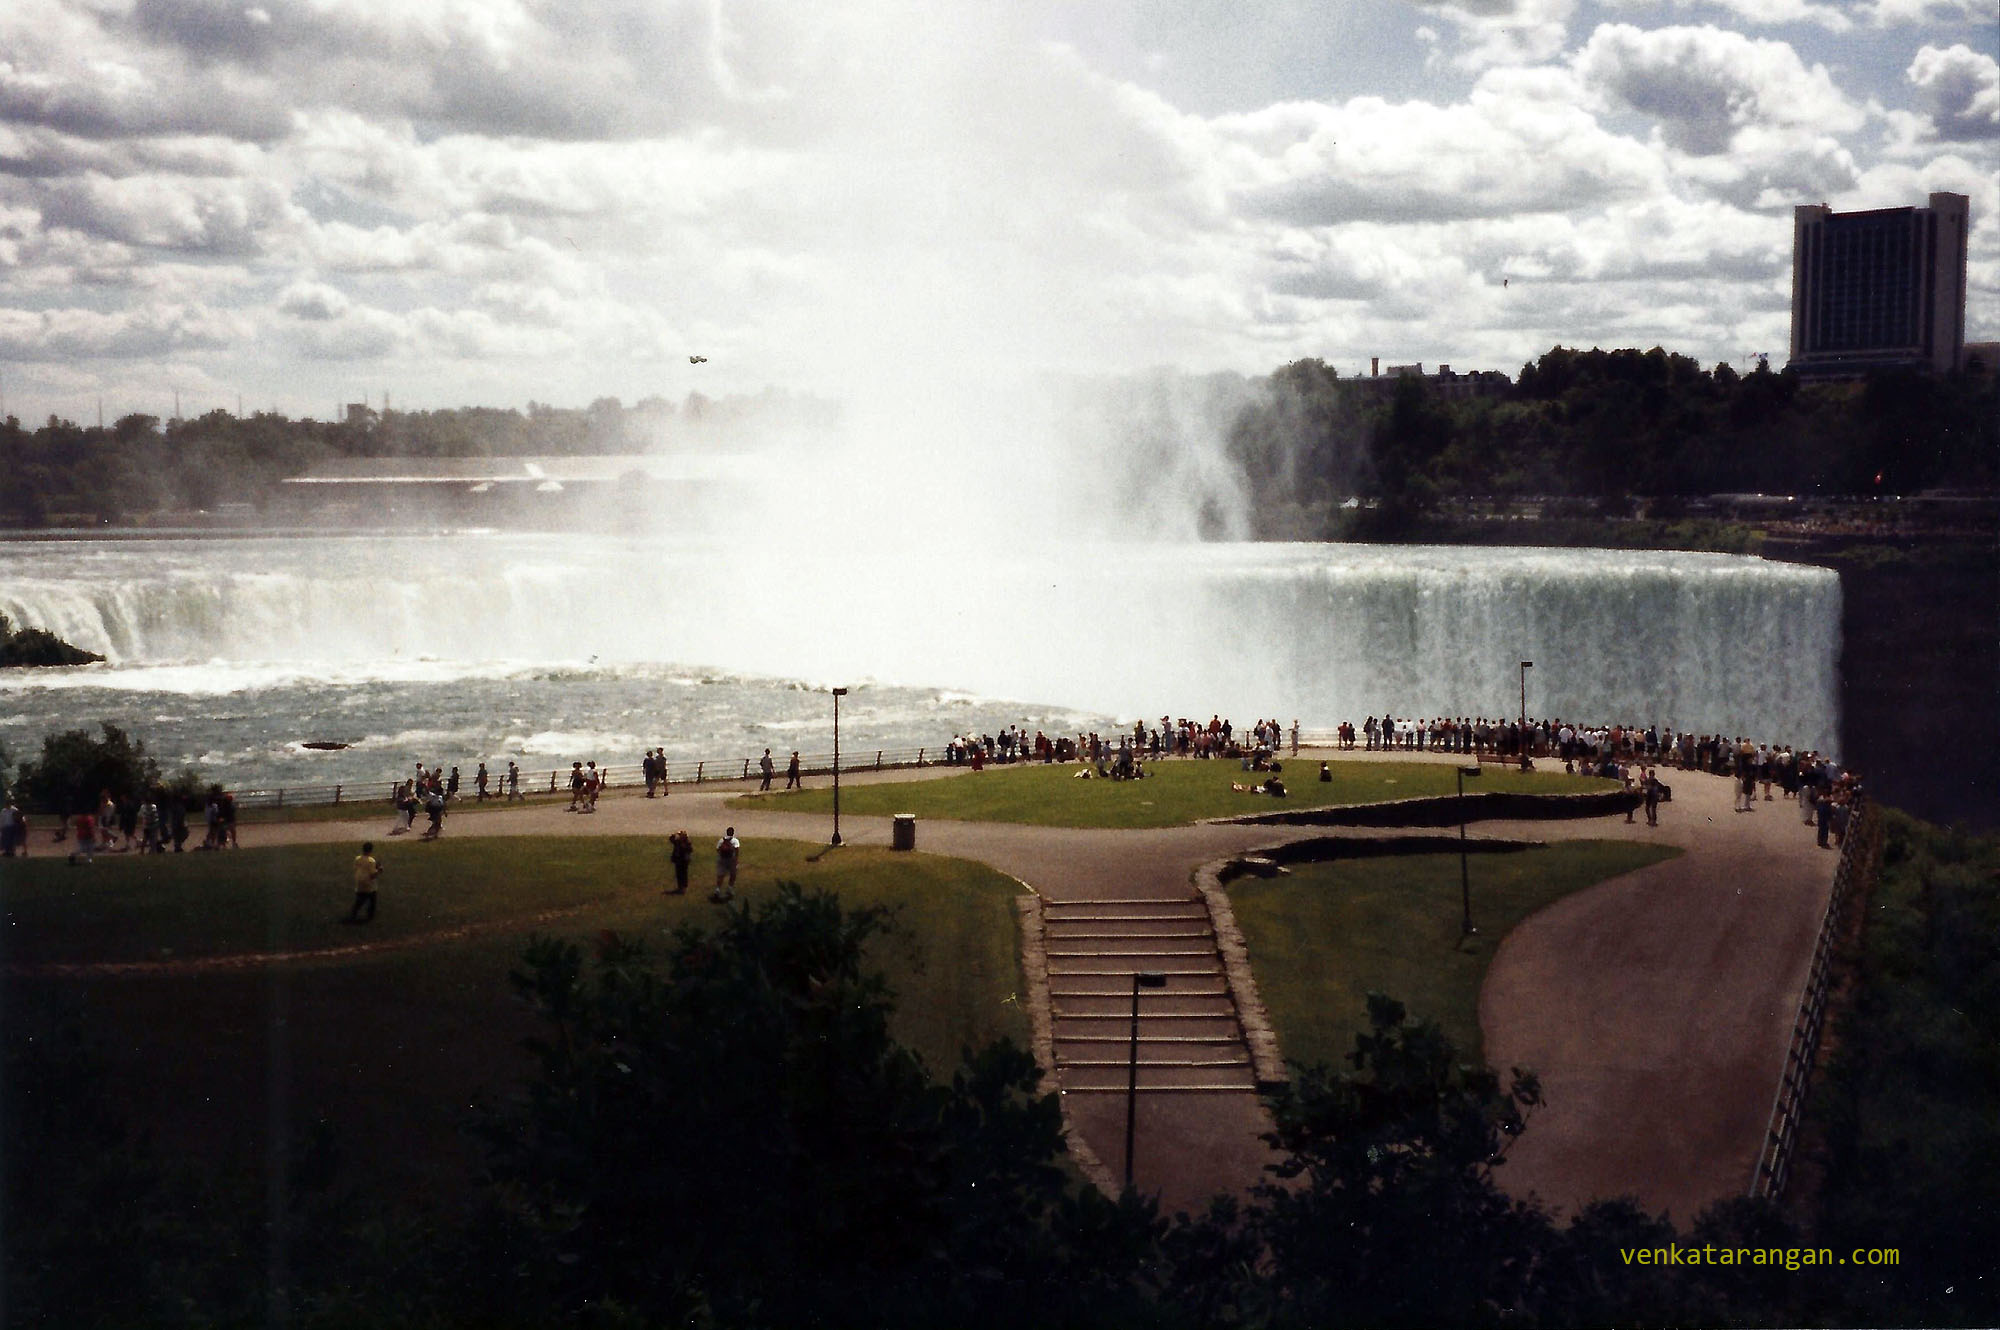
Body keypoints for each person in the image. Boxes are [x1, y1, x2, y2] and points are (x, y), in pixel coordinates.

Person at [349, 842, 382, 922]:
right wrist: (379, 870)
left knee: (360, 899)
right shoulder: (371, 861)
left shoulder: (357, 858)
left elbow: (356, 868)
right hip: (369, 884)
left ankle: (353, 913)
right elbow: (373, 875)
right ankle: (370, 916)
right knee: (372, 900)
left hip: (359, 881)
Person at [712, 827, 741, 901]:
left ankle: (717, 889)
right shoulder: (735, 840)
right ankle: (730, 888)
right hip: (731, 860)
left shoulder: (721, 840)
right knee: (733, 874)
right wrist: (736, 859)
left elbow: (717, 849)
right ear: (733, 833)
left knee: (720, 875)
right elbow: (737, 850)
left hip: (722, 860)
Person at [667, 830, 693, 894]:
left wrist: (683, 846)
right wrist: (673, 835)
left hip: (683, 861)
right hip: (678, 860)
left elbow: (690, 850)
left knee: (683, 874)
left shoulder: (687, 843)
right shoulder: (677, 841)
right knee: (678, 874)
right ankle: (680, 887)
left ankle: (683, 888)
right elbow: (671, 839)